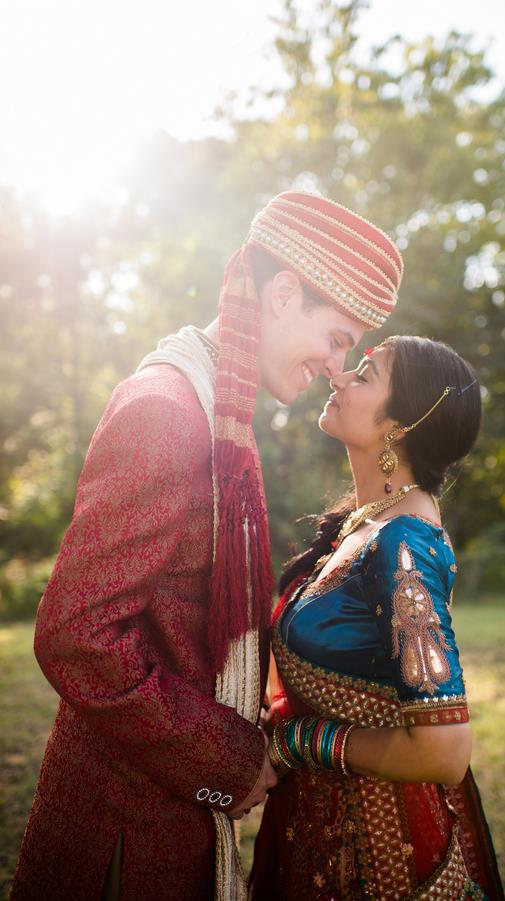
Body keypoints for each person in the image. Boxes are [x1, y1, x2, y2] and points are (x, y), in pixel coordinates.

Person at [9, 192, 404, 901]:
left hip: (161, 812)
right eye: (339, 338)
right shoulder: (169, 414)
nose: (340, 368)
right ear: (284, 294)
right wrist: (225, 756)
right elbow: (77, 635)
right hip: (124, 830)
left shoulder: (219, 415)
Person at [249, 336, 505, 900]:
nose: (337, 376)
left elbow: (444, 752)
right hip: (322, 819)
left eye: (365, 375)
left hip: (375, 847)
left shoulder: (403, 544)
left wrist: (297, 742)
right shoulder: (363, 524)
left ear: (401, 426)